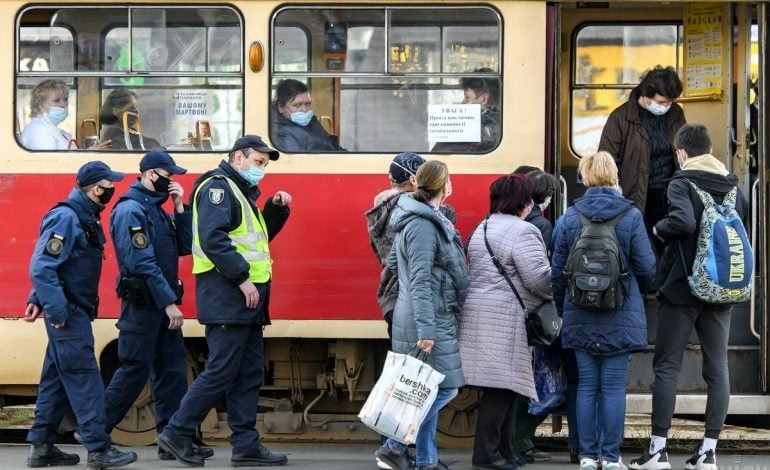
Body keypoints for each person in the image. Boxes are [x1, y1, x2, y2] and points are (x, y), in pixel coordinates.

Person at [156, 135, 291, 467]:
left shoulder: (240, 192)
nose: (261, 169)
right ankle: (176, 432)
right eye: (257, 162)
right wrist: (243, 280)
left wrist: (275, 210)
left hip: (246, 301)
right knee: (221, 371)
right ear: (237, 157)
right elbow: (214, 241)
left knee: (248, 374)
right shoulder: (218, 189)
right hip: (229, 294)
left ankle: (245, 445)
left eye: (264, 164)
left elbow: (256, 240)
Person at [629, 124, 749, 470]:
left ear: (681, 153)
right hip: (721, 287)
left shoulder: (681, 182)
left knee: (667, 366)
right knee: (718, 368)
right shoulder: (732, 185)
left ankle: (657, 450)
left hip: (682, 288)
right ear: (709, 149)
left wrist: (658, 228)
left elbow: (681, 222)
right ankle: (708, 452)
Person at [23, 161, 137, 469]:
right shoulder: (66, 217)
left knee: (56, 379)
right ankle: (99, 450)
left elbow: (60, 265)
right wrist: (56, 310)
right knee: (84, 378)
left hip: (70, 309)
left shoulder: (83, 215)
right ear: (96, 189)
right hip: (69, 312)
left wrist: (38, 298)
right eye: (109, 185)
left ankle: (42, 446)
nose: (112, 190)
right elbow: (42, 266)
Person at [102, 150, 212, 462]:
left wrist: (180, 208)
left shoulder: (157, 209)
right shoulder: (131, 211)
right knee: (135, 370)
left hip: (161, 304)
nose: (172, 181)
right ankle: (96, 433)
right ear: (151, 174)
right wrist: (168, 304)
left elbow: (182, 247)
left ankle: (172, 438)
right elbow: (143, 263)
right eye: (168, 176)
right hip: (144, 305)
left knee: (172, 370)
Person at [551, 151, 656, 470]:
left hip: (579, 313)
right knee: (611, 387)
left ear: (584, 177)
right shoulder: (631, 215)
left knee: (586, 385)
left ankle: (585, 455)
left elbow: (557, 271)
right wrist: (639, 290)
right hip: (620, 313)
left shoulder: (570, 216)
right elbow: (647, 266)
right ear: (614, 176)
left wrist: (563, 307)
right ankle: (609, 457)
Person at [374, 160, 468, 470]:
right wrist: (427, 330)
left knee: (426, 388)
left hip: (427, 313)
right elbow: (420, 281)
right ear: (442, 185)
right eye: (449, 180)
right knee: (444, 388)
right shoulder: (422, 226)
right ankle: (395, 444)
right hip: (426, 317)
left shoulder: (423, 220)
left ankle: (427, 461)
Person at [459, 173, 552, 470]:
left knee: (506, 387)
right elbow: (539, 279)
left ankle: (505, 452)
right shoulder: (523, 232)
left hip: (479, 313)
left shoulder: (482, 227)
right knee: (501, 389)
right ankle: (487, 456)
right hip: (506, 317)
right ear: (525, 203)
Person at [365, 152, 456, 339]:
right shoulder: (412, 211)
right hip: (413, 299)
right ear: (413, 179)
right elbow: (445, 222)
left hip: (390, 294)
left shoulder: (381, 208)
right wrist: (441, 198)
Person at [598, 65, 686, 256]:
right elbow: (606, 159)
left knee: (668, 249)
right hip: (634, 194)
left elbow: (683, 146)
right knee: (640, 249)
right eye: (661, 102)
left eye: (669, 103)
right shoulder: (620, 118)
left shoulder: (676, 113)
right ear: (646, 94)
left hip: (671, 193)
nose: (665, 107)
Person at [20, 79, 111, 150]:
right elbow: (52, 164)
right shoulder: (39, 132)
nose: (64, 105)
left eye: (65, 99)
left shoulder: (50, 129)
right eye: (57, 100)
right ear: (40, 105)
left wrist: (90, 151)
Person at [432, 67, 501, 153]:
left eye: (467, 98)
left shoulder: (478, 126)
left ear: (484, 99)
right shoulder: (497, 121)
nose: (462, 103)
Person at [272, 78, 345, 152]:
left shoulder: (312, 122)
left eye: (307, 104)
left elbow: (331, 145)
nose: (304, 109)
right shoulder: (279, 133)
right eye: (297, 105)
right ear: (281, 107)